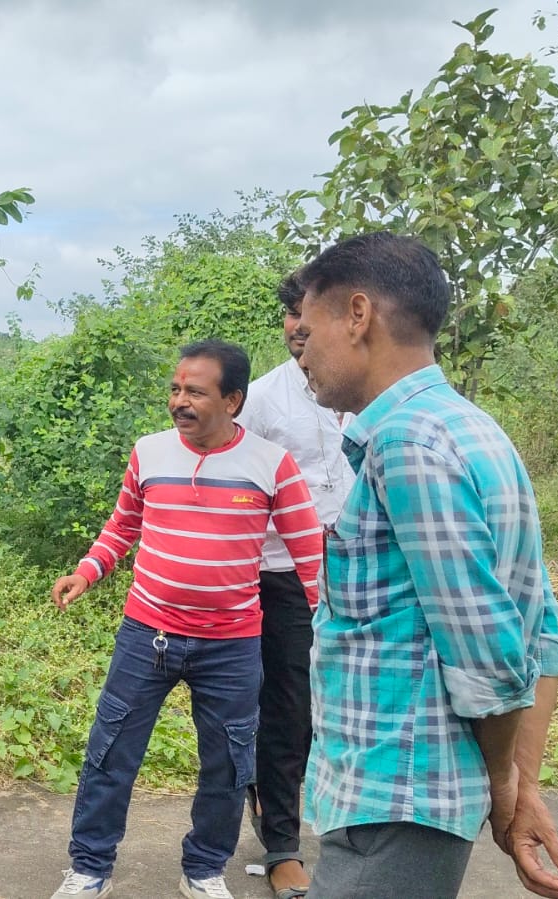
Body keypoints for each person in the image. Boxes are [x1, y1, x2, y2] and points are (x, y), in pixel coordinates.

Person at [295, 232, 558, 899]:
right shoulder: (473, 429)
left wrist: (504, 780)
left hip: (397, 795)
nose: (301, 352)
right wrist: (517, 783)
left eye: (307, 330)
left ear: (356, 315)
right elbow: (540, 625)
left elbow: (490, 657)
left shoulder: (406, 442)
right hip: (401, 802)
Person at [47, 339, 323, 899]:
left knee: (227, 763)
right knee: (110, 751)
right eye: (175, 389)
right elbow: (123, 526)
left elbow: (307, 551)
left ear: (233, 401)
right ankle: (89, 867)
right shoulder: (149, 452)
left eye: (195, 391)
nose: (180, 401)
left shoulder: (272, 465)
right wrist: (88, 571)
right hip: (146, 635)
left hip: (232, 644)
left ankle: (202, 870)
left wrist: (326, 622)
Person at [233, 273, 353, 899]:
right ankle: (283, 845)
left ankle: (357, 837)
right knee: (287, 713)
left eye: (309, 312)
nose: (296, 325)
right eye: (289, 312)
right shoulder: (259, 401)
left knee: (351, 706)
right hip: (281, 578)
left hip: (363, 573)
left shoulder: (368, 391)